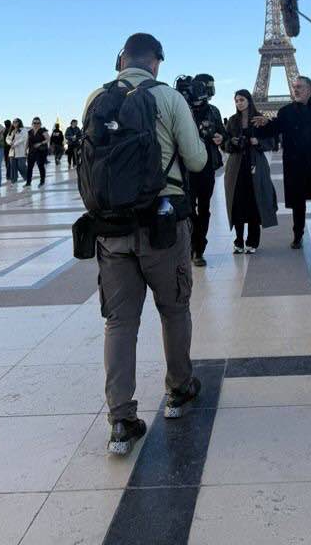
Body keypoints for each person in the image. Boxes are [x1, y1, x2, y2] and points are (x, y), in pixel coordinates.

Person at [83, 33, 207, 456]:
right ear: (156, 63)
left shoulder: (96, 98)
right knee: (174, 310)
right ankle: (179, 389)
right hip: (162, 224)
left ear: (120, 60)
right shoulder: (168, 97)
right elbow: (197, 160)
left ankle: (121, 420)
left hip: (111, 227)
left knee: (119, 322)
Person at [253, 76, 311, 251]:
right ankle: (297, 236)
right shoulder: (286, 112)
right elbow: (274, 128)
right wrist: (264, 123)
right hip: (295, 164)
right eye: (294, 86)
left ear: (309, 89)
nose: (295, 90)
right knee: (298, 203)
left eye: (300, 87)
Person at [223, 89, 278, 254]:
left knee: (255, 202)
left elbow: (271, 142)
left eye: (242, 100)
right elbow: (225, 144)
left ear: (249, 100)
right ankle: (238, 240)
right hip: (236, 167)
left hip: (256, 165)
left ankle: (252, 241)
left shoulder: (260, 118)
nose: (239, 103)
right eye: (236, 100)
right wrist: (231, 142)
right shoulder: (232, 121)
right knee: (237, 203)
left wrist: (257, 142)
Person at [186, 74, 227, 268]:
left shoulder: (213, 111)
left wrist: (221, 137)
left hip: (207, 166)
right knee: (188, 209)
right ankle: (191, 244)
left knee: (204, 208)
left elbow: (223, 133)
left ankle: (198, 248)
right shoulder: (182, 108)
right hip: (186, 167)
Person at [26, 117, 50, 187]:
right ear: (32, 124)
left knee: (40, 166)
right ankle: (28, 182)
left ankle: (42, 181)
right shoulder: (30, 132)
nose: (36, 124)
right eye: (35, 123)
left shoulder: (43, 130)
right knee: (29, 167)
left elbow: (48, 139)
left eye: (38, 123)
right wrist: (25, 150)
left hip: (40, 151)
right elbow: (27, 142)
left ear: (40, 124)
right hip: (31, 151)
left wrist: (40, 143)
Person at [6, 118, 28, 184]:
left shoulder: (23, 130)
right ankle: (14, 181)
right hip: (12, 152)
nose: (14, 123)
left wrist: (15, 144)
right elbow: (7, 138)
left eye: (16, 122)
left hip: (21, 151)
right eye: (13, 122)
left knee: (21, 166)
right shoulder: (12, 131)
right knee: (13, 168)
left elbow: (23, 138)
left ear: (19, 122)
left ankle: (27, 177)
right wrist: (10, 143)